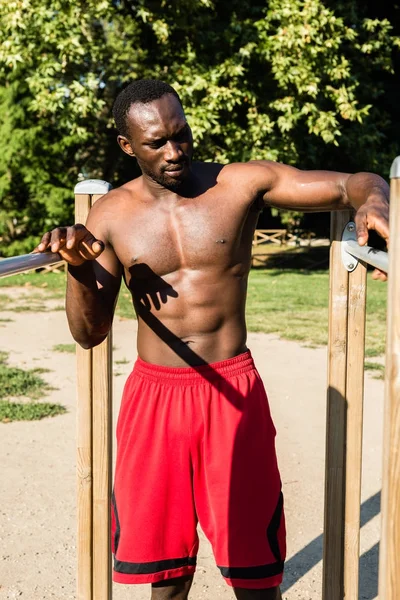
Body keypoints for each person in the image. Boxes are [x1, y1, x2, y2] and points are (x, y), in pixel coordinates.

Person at [35, 79, 389, 600]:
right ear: (127, 147)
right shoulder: (109, 215)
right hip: (155, 399)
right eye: (157, 143)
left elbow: (352, 182)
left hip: (232, 389)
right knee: (167, 578)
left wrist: (374, 203)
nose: (175, 151)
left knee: (256, 575)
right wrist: (79, 271)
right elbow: (89, 333)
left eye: (181, 135)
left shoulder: (240, 183)